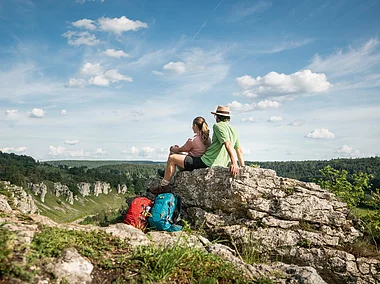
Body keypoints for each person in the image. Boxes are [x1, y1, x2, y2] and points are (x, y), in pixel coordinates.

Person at [150, 105, 244, 194]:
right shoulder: (234, 130)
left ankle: (164, 186)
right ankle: (167, 176)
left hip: (207, 162)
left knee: (172, 158)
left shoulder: (218, 126)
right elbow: (238, 150)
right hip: (220, 164)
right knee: (180, 159)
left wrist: (234, 163)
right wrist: (243, 167)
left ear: (217, 117)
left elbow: (227, 143)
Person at [149, 116, 211, 194]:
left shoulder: (192, 140)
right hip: (199, 160)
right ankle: (166, 174)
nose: (192, 128)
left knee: (172, 157)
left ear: (195, 126)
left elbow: (181, 149)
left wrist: (172, 148)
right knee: (174, 155)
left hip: (192, 163)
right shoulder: (207, 139)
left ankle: (164, 186)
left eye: (192, 126)